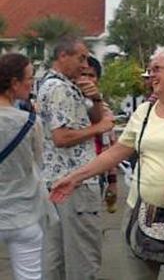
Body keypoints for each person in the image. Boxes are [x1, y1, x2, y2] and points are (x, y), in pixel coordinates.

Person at [49, 45, 164, 279]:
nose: (151, 75)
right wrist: (73, 178)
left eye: (157, 69)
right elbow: (117, 152)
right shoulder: (144, 112)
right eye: (150, 70)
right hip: (139, 214)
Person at [38, 37, 113, 280]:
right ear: (63, 56)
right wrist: (100, 127)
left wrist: (96, 100)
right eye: (80, 58)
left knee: (55, 258)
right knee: (83, 259)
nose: (85, 64)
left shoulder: (57, 85)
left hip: (56, 183)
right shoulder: (59, 89)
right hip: (76, 185)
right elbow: (62, 136)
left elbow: (84, 120)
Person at [0, 53, 47, 280]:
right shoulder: (30, 123)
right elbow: (37, 165)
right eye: (30, 77)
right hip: (23, 215)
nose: (32, 82)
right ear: (14, 83)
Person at [81, 56, 119, 213]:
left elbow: (111, 146)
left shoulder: (104, 109)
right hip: (75, 172)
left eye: (92, 75)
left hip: (97, 173)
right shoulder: (69, 105)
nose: (88, 80)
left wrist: (113, 181)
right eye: (84, 75)